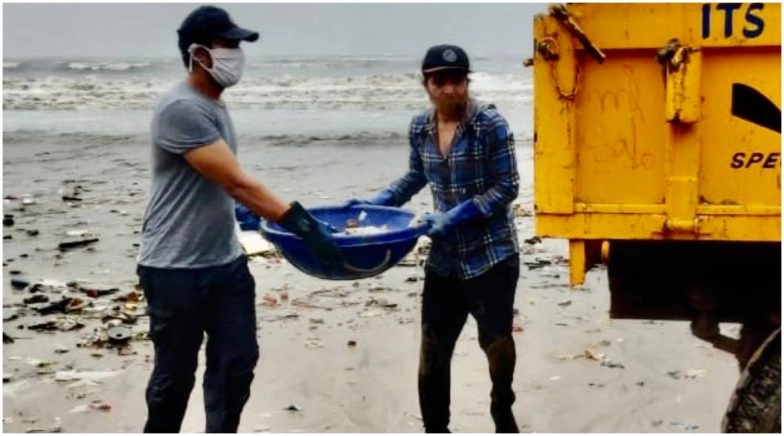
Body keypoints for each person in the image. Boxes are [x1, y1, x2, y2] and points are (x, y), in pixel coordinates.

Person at [136, 5, 343, 433]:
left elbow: (217, 185)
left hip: (225, 264)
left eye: (238, 45)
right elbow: (237, 183)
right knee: (174, 380)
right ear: (199, 55)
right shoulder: (181, 107)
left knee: (236, 367)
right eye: (227, 44)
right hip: (175, 269)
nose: (236, 53)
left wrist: (246, 215)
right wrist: (304, 226)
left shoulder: (213, 104)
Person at [346, 44, 521, 433]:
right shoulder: (419, 127)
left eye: (456, 80)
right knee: (432, 351)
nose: (448, 89)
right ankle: (435, 429)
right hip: (444, 261)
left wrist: (458, 216)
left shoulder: (491, 125)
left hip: (491, 255)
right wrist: (378, 203)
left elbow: (507, 186)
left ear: (466, 82)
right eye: (439, 81)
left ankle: (501, 408)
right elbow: (415, 176)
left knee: (496, 344)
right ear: (426, 84)